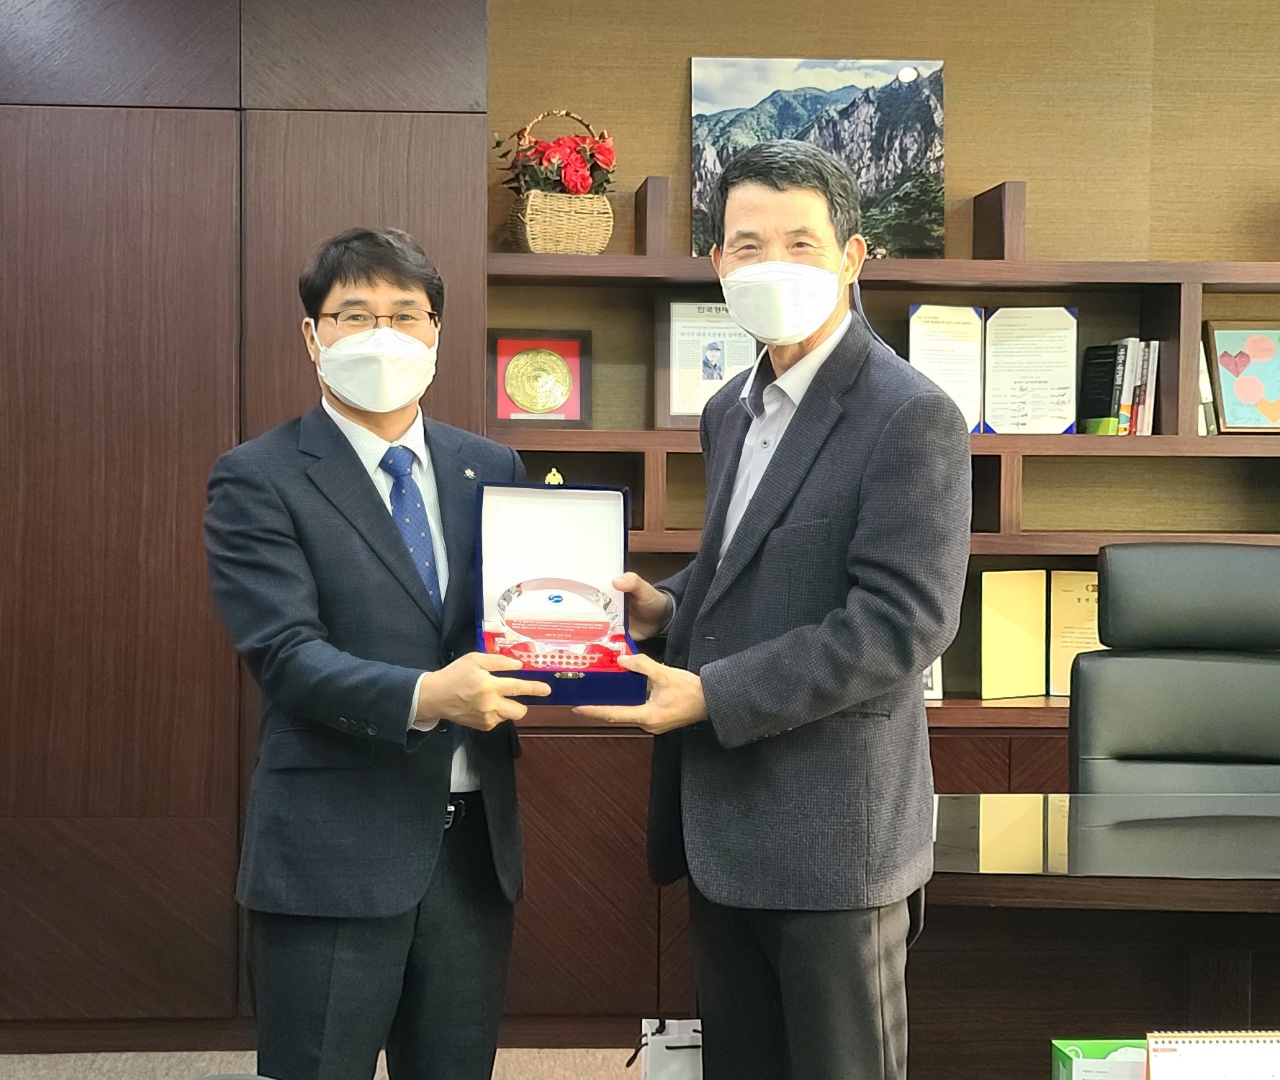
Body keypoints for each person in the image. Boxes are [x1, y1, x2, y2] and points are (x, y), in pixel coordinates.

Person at [577, 141, 971, 1079]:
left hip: (836, 840)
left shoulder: (910, 413)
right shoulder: (730, 408)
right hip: (726, 828)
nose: (772, 265)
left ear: (852, 256)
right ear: (718, 262)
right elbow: (744, 564)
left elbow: (903, 622)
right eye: (748, 246)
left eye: (801, 243)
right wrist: (664, 606)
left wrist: (710, 694)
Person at [204, 227, 550, 1080]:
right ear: (312, 335)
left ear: (436, 333)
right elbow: (285, 655)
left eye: (404, 315)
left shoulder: (490, 466)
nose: (382, 335)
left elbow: (523, 616)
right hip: (334, 848)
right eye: (354, 315)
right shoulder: (259, 476)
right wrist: (430, 696)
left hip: (473, 850)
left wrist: (593, 634)